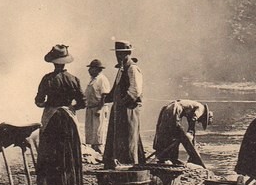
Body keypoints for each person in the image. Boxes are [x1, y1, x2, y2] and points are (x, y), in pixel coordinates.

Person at [34, 44, 86, 185]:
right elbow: (83, 102)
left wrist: (47, 105)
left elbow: (38, 101)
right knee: (68, 153)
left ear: (53, 62)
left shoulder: (47, 79)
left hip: (51, 119)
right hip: (68, 120)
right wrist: (71, 107)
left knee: (48, 153)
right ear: (65, 62)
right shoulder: (73, 79)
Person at [103, 40, 145, 168]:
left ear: (129, 53)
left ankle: (129, 163)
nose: (119, 56)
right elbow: (117, 87)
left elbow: (135, 90)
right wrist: (108, 97)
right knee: (116, 136)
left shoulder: (132, 69)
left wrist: (123, 102)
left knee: (128, 136)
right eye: (117, 53)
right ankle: (116, 162)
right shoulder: (121, 69)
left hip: (128, 109)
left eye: (122, 54)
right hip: (119, 109)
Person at [152, 99, 212, 165]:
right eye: (202, 121)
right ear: (205, 116)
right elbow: (194, 119)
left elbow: (191, 125)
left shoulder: (195, 107)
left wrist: (191, 132)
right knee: (172, 135)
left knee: (165, 132)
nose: (199, 122)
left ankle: (167, 157)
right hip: (175, 108)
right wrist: (190, 133)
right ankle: (168, 158)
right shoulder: (201, 109)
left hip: (169, 107)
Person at [84, 59, 111, 154]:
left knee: (99, 129)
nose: (89, 70)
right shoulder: (92, 80)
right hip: (91, 107)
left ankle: (99, 150)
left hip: (99, 108)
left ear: (97, 69)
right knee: (91, 130)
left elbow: (105, 95)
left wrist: (100, 109)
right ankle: (93, 149)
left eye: (91, 68)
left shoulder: (102, 79)